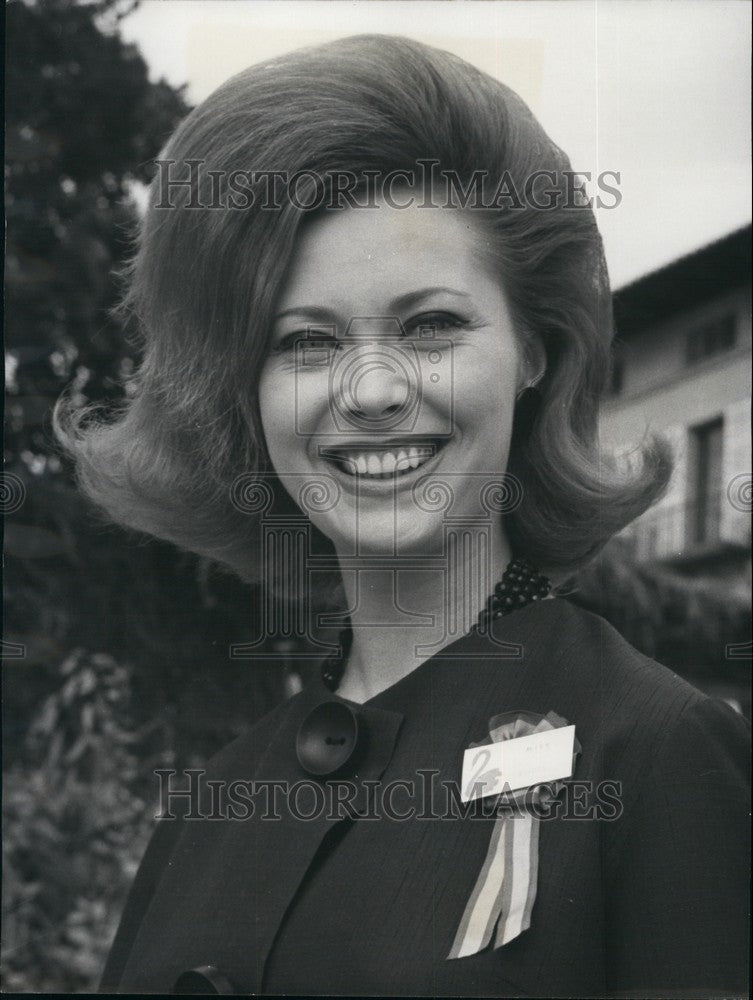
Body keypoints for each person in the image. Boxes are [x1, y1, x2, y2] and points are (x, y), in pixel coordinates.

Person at [55, 34, 749, 998]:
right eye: (306, 341)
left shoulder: (660, 754)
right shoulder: (207, 807)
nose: (373, 389)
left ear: (534, 351)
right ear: (245, 392)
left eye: (430, 325)